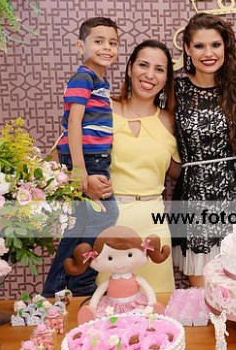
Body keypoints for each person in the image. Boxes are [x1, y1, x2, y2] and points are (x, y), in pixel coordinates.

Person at [89, 40, 180, 293]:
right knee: (110, 303)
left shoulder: (170, 120)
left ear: (166, 79)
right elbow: (64, 157)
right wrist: (83, 182)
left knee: (157, 302)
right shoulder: (102, 109)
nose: (150, 75)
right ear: (130, 68)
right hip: (109, 223)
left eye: (159, 69)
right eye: (143, 65)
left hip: (154, 228)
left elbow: (181, 173)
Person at [173, 13, 236, 287]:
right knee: (203, 292)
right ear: (187, 48)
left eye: (215, 45)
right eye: (199, 46)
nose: (208, 53)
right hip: (196, 201)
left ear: (225, 47)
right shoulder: (174, 91)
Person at [44, 17, 120, 297]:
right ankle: (63, 283)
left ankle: (77, 282)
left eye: (112, 43)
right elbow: (73, 122)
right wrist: (79, 170)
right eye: (98, 41)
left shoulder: (100, 81)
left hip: (96, 157)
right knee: (97, 216)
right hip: (86, 158)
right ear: (80, 46)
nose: (107, 48)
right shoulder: (83, 77)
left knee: (89, 219)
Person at [64, 226, 170, 322]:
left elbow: (148, 289)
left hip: (134, 303)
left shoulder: (136, 279)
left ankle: (153, 310)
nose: (120, 263)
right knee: (106, 318)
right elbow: (98, 293)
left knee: (141, 314)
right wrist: (92, 307)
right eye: (110, 258)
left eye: (129, 255)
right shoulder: (109, 282)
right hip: (112, 306)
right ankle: (90, 314)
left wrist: (152, 303)